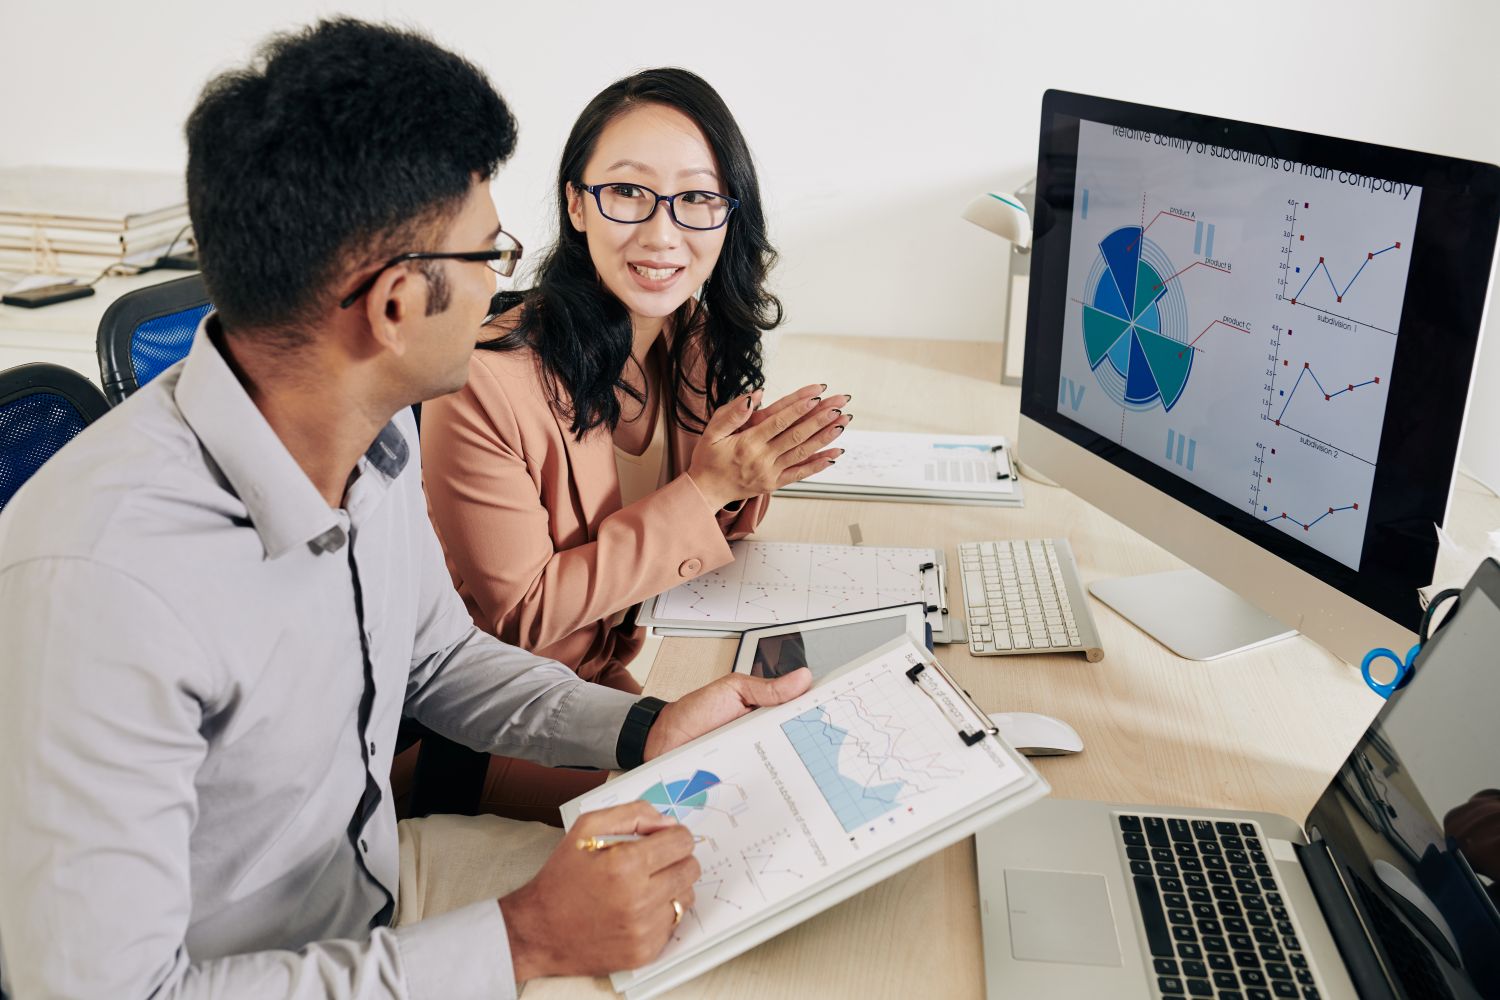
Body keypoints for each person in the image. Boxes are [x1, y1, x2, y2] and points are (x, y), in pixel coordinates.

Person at [0, 21, 809, 999]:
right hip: (253, 972)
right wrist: (519, 944)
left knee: (765, 913)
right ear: (393, 307)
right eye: (486, 255)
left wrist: (645, 730)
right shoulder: (101, 585)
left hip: (382, 891)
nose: (501, 285)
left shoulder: (371, 446)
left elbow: (441, 661)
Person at [420, 69, 850, 819]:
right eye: (627, 193)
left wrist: (746, 475)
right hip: (493, 731)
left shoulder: (693, 338)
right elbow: (521, 616)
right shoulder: (485, 381)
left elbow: (703, 529)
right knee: (762, 803)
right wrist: (711, 487)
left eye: (696, 199)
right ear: (576, 205)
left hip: (612, 695)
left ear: (727, 215)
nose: (662, 234)